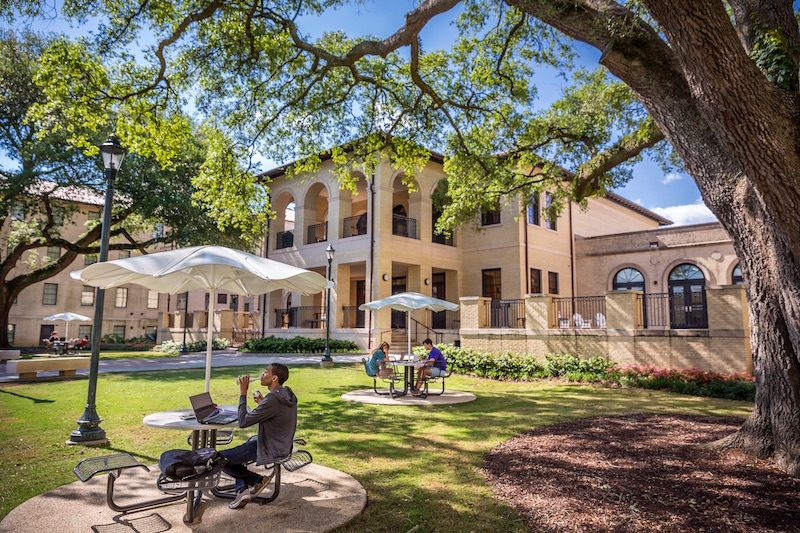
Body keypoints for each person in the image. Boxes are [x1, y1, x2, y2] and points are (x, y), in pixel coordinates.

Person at [220, 363, 298, 509]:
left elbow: (243, 422)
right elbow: (278, 415)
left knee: (219, 459)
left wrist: (243, 393)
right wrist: (263, 404)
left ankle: (259, 480)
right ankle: (242, 491)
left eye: (265, 372)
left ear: (274, 378)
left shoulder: (273, 399)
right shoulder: (286, 393)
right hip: (282, 444)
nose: (262, 374)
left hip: (269, 447)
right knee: (236, 456)